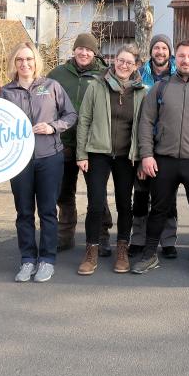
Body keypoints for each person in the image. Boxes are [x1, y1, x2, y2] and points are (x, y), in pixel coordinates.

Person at [132, 40, 189, 279]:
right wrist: (146, 155)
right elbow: (146, 123)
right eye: (182, 56)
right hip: (164, 160)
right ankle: (149, 255)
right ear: (177, 58)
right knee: (158, 210)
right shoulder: (160, 88)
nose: (186, 60)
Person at [0, 42, 77, 283]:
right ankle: (27, 260)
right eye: (20, 59)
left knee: (47, 211)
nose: (25, 64)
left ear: (36, 62)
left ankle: (47, 260)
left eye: (29, 59)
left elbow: (71, 115)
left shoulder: (51, 86)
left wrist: (53, 126)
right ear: (14, 63)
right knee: (24, 212)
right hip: (18, 161)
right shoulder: (5, 92)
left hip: (49, 157)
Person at [75, 44, 147, 275]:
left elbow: (145, 127)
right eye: (120, 60)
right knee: (96, 204)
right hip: (98, 153)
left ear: (136, 66)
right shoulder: (97, 85)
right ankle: (91, 251)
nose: (124, 65)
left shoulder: (141, 92)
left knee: (125, 204)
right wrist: (81, 154)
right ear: (114, 61)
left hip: (126, 157)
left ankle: (122, 250)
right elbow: (84, 120)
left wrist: (142, 157)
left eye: (129, 62)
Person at [47, 33, 113, 254]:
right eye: (80, 48)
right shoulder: (57, 74)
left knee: (97, 193)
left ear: (95, 52)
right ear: (74, 50)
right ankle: (65, 235)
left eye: (89, 49)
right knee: (64, 193)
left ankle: (102, 236)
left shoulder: (105, 75)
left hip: (93, 145)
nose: (84, 53)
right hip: (63, 142)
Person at [129, 34, 179, 258]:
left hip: (169, 145)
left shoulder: (179, 76)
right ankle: (138, 238)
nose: (160, 52)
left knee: (167, 196)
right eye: (156, 48)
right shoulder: (138, 75)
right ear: (151, 51)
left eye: (164, 48)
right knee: (141, 196)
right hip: (144, 141)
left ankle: (168, 240)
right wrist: (141, 154)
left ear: (169, 52)